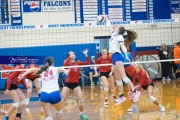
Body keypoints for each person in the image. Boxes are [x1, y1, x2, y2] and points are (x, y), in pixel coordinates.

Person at [104, 15, 140, 105]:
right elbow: (109, 26)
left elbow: (122, 46)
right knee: (118, 78)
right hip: (113, 57)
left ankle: (135, 91)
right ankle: (121, 96)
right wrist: (106, 18)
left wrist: (126, 55)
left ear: (119, 30)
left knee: (123, 77)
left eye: (117, 27)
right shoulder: (113, 34)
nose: (115, 27)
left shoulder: (119, 36)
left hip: (118, 56)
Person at [62, 49, 90, 120]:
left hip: (76, 84)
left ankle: (81, 114)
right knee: (62, 100)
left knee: (80, 100)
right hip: (67, 83)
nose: (73, 54)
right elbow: (65, 63)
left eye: (73, 53)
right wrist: (69, 57)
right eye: (71, 54)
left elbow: (87, 63)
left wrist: (86, 54)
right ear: (69, 56)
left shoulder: (78, 63)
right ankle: (58, 112)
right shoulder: (67, 63)